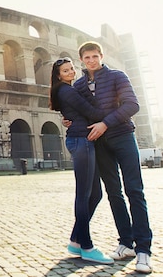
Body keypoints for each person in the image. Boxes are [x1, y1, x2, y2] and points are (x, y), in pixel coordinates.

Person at [69, 41, 153, 274]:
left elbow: (131, 105)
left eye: (95, 56)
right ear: (82, 60)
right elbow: (78, 113)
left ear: (101, 56)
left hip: (123, 137)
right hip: (100, 144)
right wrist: (70, 121)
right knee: (114, 194)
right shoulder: (79, 85)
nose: (91, 61)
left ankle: (143, 250)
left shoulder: (117, 76)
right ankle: (125, 243)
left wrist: (106, 123)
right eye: (87, 58)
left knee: (134, 190)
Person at [49, 57, 113, 265]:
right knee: (84, 194)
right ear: (59, 75)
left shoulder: (65, 90)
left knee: (95, 193)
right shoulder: (67, 91)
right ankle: (86, 246)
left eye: (71, 69)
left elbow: (80, 113)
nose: (70, 72)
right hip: (80, 141)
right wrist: (115, 111)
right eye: (65, 71)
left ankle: (76, 240)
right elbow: (91, 112)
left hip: (82, 140)